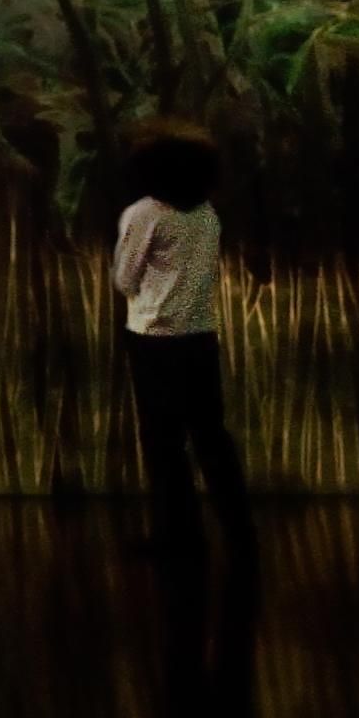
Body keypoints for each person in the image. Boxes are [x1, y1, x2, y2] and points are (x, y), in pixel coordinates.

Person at [113, 123, 247, 552]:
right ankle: (240, 531)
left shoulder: (145, 213)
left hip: (154, 338)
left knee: (163, 443)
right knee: (211, 436)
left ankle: (178, 536)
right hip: (200, 336)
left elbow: (124, 279)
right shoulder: (207, 215)